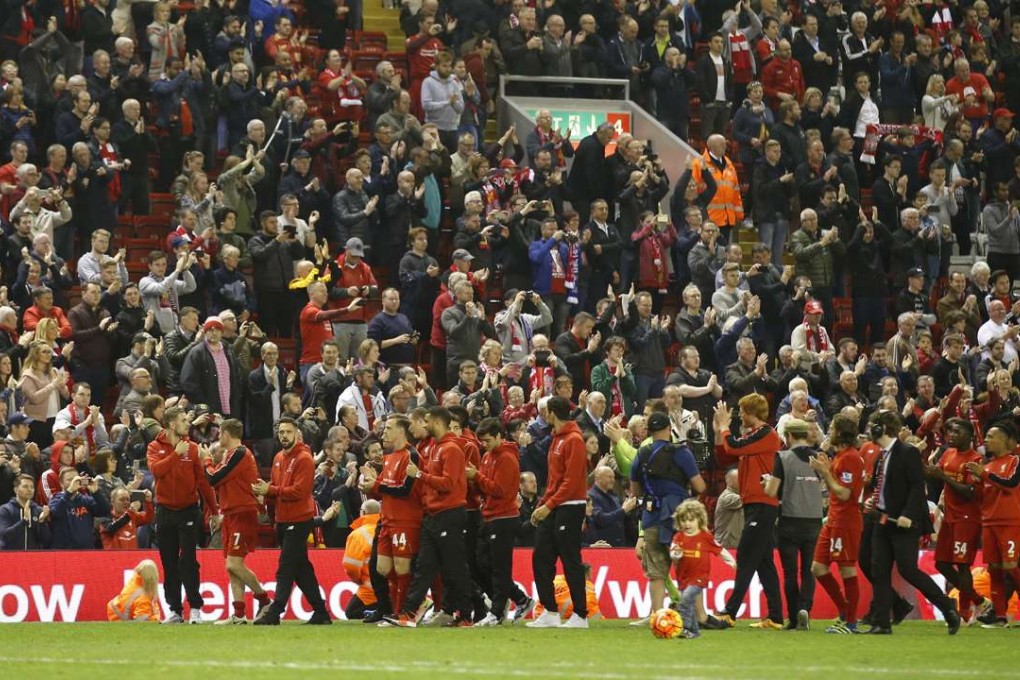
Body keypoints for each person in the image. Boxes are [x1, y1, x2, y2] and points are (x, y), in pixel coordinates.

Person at [864, 410, 961, 635]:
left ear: (883, 428)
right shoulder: (882, 455)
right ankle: (881, 623)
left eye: (873, 426)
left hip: (903, 524)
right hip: (883, 520)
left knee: (908, 570)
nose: (869, 430)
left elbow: (918, 486)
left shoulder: (906, 452)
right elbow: (887, 486)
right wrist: (874, 500)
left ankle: (947, 606)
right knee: (879, 570)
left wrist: (908, 514)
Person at [388, 407, 472, 627]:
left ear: (436, 422)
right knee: (424, 567)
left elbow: (448, 484)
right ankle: (409, 612)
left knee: (454, 568)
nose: (423, 425)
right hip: (434, 515)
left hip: (450, 514)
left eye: (426, 422)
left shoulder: (451, 449)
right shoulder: (436, 448)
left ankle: (465, 615)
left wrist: (420, 474)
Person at [712, 394, 784, 628]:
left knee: (745, 555)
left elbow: (732, 446)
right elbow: (725, 454)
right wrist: (718, 430)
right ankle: (774, 617)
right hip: (755, 502)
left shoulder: (766, 433)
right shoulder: (752, 435)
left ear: (753, 411)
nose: (740, 415)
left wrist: (725, 427)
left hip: (763, 502)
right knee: (764, 562)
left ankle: (729, 612)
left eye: (742, 411)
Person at [253, 417, 332, 625]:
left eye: (288, 432)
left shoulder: (304, 458)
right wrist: (265, 492)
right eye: (281, 432)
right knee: (301, 569)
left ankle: (275, 611)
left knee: (286, 567)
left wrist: (270, 490)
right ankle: (321, 612)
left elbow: (299, 491)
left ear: (297, 433)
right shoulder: (278, 457)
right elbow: (278, 488)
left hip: (298, 520)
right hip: (283, 519)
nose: (284, 436)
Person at [147, 406, 220, 624]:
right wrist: (175, 454)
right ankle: (175, 610)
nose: (187, 424)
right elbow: (156, 471)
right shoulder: (154, 446)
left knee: (188, 561)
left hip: (188, 510)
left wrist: (214, 510)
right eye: (182, 420)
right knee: (168, 562)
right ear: (171, 424)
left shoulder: (194, 448)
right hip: (164, 511)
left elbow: (202, 483)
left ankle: (195, 608)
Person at [630, 412, 706, 617]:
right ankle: (699, 615)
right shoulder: (681, 452)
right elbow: (700, 485)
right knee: (689, 567)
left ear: (650, 431)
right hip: (679, 519)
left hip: (651, 516)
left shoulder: (642, 453)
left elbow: (635, 491)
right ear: (668, 428)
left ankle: (657, 616)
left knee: (655, 571)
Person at [527, 396, 589, 629]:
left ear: (552, 412)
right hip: (554, 505)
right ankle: (550, 612)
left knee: (570, 559)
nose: (543, 415)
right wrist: (543, 503)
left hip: (571, 507)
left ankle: (581, 615)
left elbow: (572, 482)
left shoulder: (574, 440)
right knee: (541, 556)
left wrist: (547, 505)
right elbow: (555, 480)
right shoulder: (557, 439)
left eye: (545, 411)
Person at [204, 418, 270, 624]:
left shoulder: (241, 453)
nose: (218, 437)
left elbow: (213, 479)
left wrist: (206, 460)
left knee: (234, 563)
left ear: (225, 434)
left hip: (243, 513)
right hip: (231, 514)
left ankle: (265, 600)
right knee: (231, 566)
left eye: (219, 433)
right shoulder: (229, 455)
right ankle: (239, 614)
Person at [469, 417, 535, 625]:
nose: (484, 444)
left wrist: (477, 477)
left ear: (499, 436)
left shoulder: (507, 458)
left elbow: (500, 490)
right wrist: (474, 479)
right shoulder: (488, 456)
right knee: (481, 564)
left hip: (504, 518)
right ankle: (520, 599)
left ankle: (497, 612)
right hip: (489, 516)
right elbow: (485, 488)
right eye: (482, 441)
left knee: (499, 568)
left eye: (488, 440)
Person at [358, 414, 423, 621]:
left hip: (405, 520)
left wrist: (375, 485)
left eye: (388, 428)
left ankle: (404, 612)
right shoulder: (389, 456)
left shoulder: (411, 455)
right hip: (387, 519)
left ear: (401, 432)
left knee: (403, 568)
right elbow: (386, 489)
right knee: (383, 568)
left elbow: (404, 490)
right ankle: (406, 607)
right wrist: (371, 483)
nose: (383, 432)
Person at [763, 418, 824, 630]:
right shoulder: (819, 458)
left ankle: (792, 616)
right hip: (814, 520)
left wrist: (767, 483)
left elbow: (772, 492)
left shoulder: (783, 457)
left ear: (788, 436)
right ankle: (805, 607)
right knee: (808, 570)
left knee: (790, 572)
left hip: (789, 519)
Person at [808, 414, 866, 634]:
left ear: (840, 433)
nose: (828, 430)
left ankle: (850, 623)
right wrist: (828, 469)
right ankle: (844, 610)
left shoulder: (850, 458)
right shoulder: (841, 456)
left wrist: (825, 473)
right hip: (833, 520)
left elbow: (844, 493)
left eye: (831, 427)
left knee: (846, 569)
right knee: (818, 567)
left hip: (846, 520)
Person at [966, 423, 1020, 627]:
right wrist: (976, 482)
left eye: (991, 436)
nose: (986, 440)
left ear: (1005, 440)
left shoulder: (1015, 461)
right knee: (994, 568)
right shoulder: (986, 466)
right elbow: (981, 497)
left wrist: (985, 475)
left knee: (1011, 566)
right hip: (989, 522)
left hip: (1010, 522)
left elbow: (1011, 484)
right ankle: (999, 616)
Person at [670, 498, 737, 639]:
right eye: (684, 520)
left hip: (700, 577)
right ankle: (694, 632)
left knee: (685, 599)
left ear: (699, 520)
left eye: (691, 520)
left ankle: (685, 628)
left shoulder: (704, 537)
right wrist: (675, 555)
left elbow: (719, 550)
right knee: (690, 604)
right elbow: (673, 552)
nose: (687, 523)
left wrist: (731, 561)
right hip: (683, 577)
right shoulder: (679, 537)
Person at [341, 499, 381, 620]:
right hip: (393, 587)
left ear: (363, 512)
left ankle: (380, 613)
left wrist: (358, 581)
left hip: (369, 591)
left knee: (351, 613)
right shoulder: (387, 528)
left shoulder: (358, 534)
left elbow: (351, 567)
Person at [0, 474, 51, 549]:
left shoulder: (39, 510)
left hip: (33, 557)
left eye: (32, 487)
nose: (30, 489)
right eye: (25, 486)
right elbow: (4, 536)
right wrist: (24, 521)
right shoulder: (5, 509)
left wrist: (42, 522)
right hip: (11, 557)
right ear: (16, 490)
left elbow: (46, 541)